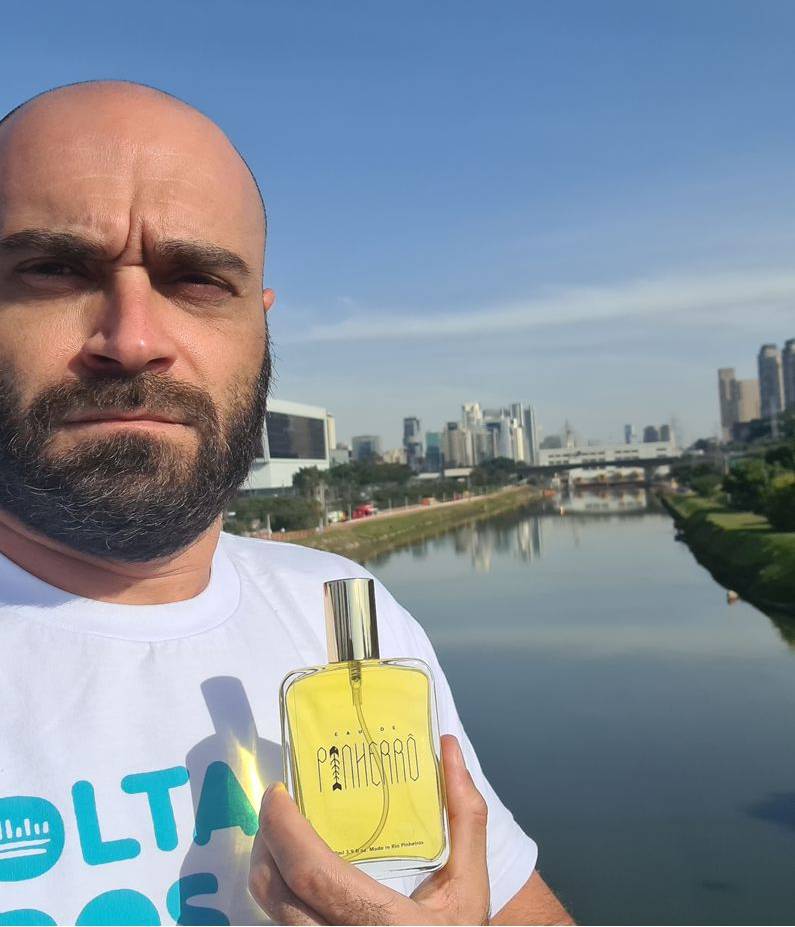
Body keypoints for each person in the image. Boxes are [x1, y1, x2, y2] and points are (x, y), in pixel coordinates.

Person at [0, 80, 573, 925]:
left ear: (261, 328)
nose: (133, 340)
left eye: (196, 281)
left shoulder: (342, 612)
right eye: (53, 270)